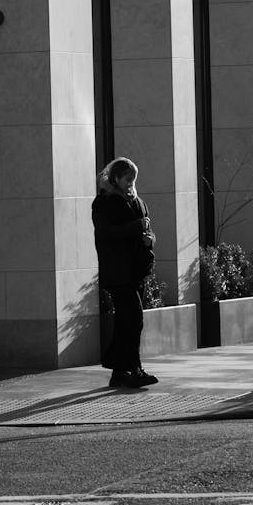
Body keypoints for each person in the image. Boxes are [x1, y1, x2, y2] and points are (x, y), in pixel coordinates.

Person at [92, 157, 159, 389]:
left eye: (133, 178)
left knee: (127, 321)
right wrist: (136, 228)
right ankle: (133, 368)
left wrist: (150, 240)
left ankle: (122, 371)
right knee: (133, 318)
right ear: (116, 178)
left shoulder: (138, 202)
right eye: (127, 178)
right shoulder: (103, 203)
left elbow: (148, 231)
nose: (131, 183)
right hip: (119, 273)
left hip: (136, 271)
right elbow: (106, 234)